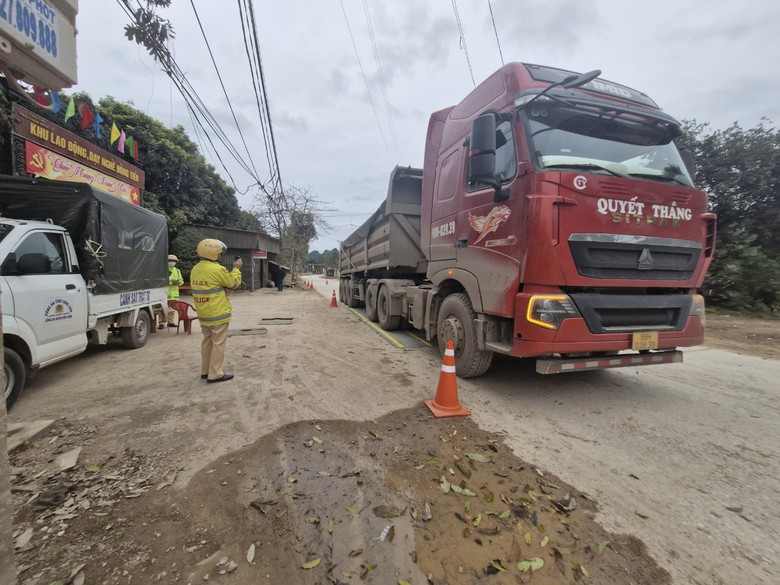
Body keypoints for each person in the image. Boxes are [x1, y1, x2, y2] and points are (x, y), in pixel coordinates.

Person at [190, 239, 242, 383]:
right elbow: (233, 283)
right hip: (218, 313)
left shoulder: (196, 269)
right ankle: (215, 373)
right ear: (213, 254)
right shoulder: (217, 269)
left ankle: (205, 371)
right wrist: (237, 269)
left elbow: (210, 287)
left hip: (203, 313)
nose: (220, 256)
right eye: (219, 253)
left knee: (207, 342)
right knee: (218, 343)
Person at [164, 254, 184, 328]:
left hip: (174, 294)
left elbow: (182, 281)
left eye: (174, 261)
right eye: (170, 260)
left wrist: (178, 282)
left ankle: (170, 322)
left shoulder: (177, 271)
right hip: (165, 293)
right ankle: (161, 323)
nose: (172, 262)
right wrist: (171, 282)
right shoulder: (163, 270)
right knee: (162, 309)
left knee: (172, 309)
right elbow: (161, 281)